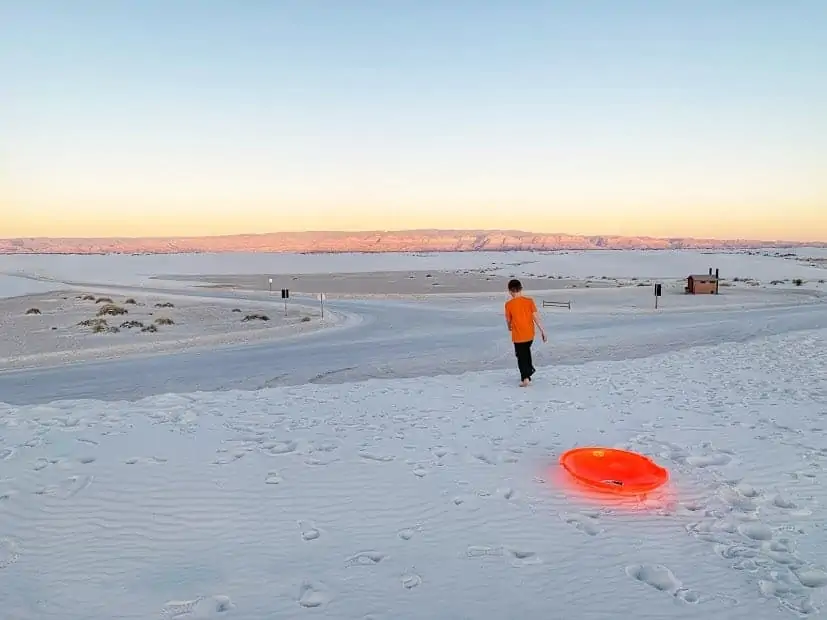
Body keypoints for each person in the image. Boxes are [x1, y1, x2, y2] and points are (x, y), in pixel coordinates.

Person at [504, 278, 546, 387]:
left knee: (521, 356)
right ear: (521, 289)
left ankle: (526, 378)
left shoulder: (509, 304)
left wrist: (509, 327)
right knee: (525, 353)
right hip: (529, 335)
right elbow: (536, 317)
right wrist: (543, 331)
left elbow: (508, 321)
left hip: (518, 335)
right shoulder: (529, 301)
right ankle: (529, 371)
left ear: (510, 291)